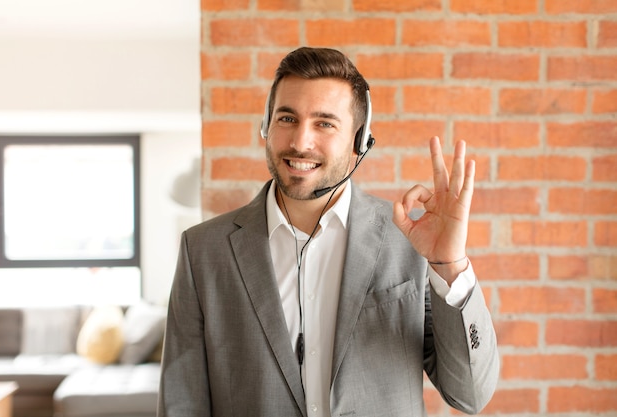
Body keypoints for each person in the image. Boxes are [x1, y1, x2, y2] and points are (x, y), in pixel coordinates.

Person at [158, 47, 499, 417]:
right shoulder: (203, 250)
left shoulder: (409, 238)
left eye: (324, 123)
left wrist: (449, 264)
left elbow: (470, 394)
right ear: (266, 127)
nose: (301, 142)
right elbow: (181, 403)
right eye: (287, 118)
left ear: (359, 141)